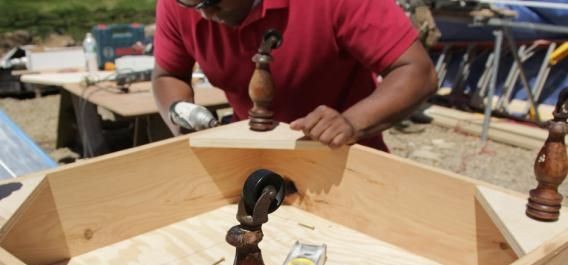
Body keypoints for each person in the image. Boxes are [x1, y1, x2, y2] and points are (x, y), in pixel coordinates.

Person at [152, 0, 438, 150]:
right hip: (251, 157)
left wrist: (351, 123)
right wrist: (179, 114)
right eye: (193, 3)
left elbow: (417, 72)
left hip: (340, 158)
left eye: (213, 1)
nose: (205, 14)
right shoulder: (182, 5)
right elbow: (169, 74)